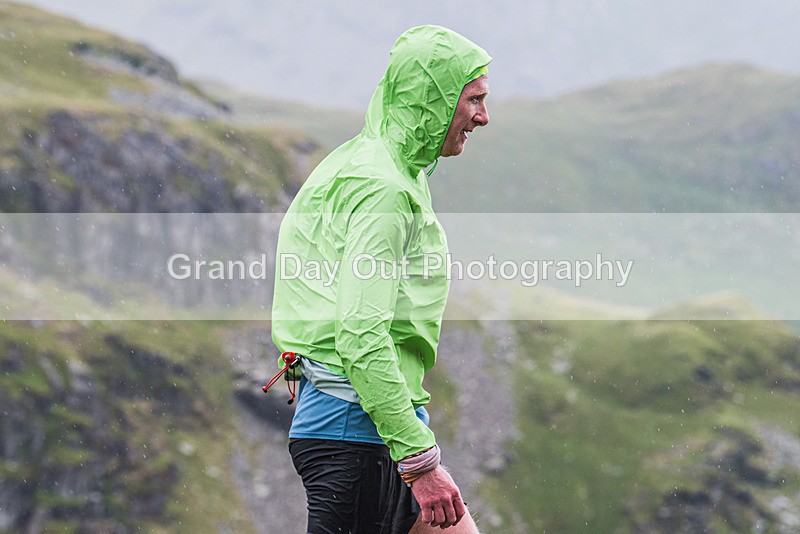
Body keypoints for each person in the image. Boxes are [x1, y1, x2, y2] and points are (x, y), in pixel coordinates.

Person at [271, 24, 490, 533]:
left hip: (367, 429)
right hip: (355, 434)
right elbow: (360, 332)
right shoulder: (383, 190)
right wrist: (420, 462)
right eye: (474, 99)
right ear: (433, 98)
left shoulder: (374, 165)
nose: (484, 116)